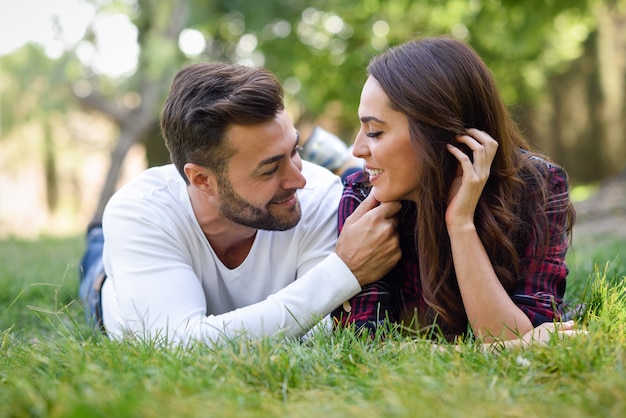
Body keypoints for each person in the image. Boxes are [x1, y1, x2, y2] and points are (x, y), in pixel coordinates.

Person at [78, 62, 402, 345]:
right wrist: (343, 271)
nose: (299, 180)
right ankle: (98, 238)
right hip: (110, 283)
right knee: (98, 254)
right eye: (270, 168)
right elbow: (179, 344)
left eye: (295, 151)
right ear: (203, 180)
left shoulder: (319, 196)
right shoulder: (140, 212)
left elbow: (320, 332)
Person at [331, 36, 578, 344]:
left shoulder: (537, 186)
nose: (357, 149)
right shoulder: (362, 199)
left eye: (375, 132)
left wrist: (460, 224)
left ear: (437, 133)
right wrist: (503, 349)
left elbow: (518, 330)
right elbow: (365, 344)